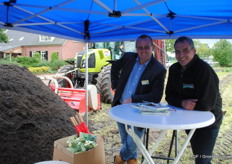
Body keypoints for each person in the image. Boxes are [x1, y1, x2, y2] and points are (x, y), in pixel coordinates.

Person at [165, 36, 223, 164]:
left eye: (185, 50)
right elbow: (169, 96)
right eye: (177, 51)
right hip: (188, 119)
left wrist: (183, 102)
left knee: (202, 159)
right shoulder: (174, 69)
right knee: (198, 155)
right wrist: (182, 103)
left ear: (194, 50)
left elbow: (207, 104)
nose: (181, 55)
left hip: (209, 121)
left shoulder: (204, 70)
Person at [111, 34, 166, 164]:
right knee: (125, 139)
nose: (143, 51)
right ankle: (132, 160)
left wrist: (134, 99)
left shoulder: (158, 69)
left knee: (132, 142)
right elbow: (114, 66)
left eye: (146, 47)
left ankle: (119, 159)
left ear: (152, 47)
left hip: (138, 112)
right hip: (120, 107)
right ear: (136, 48)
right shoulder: (129, 57)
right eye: (140, 47)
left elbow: (156, 97)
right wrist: (115, 84)